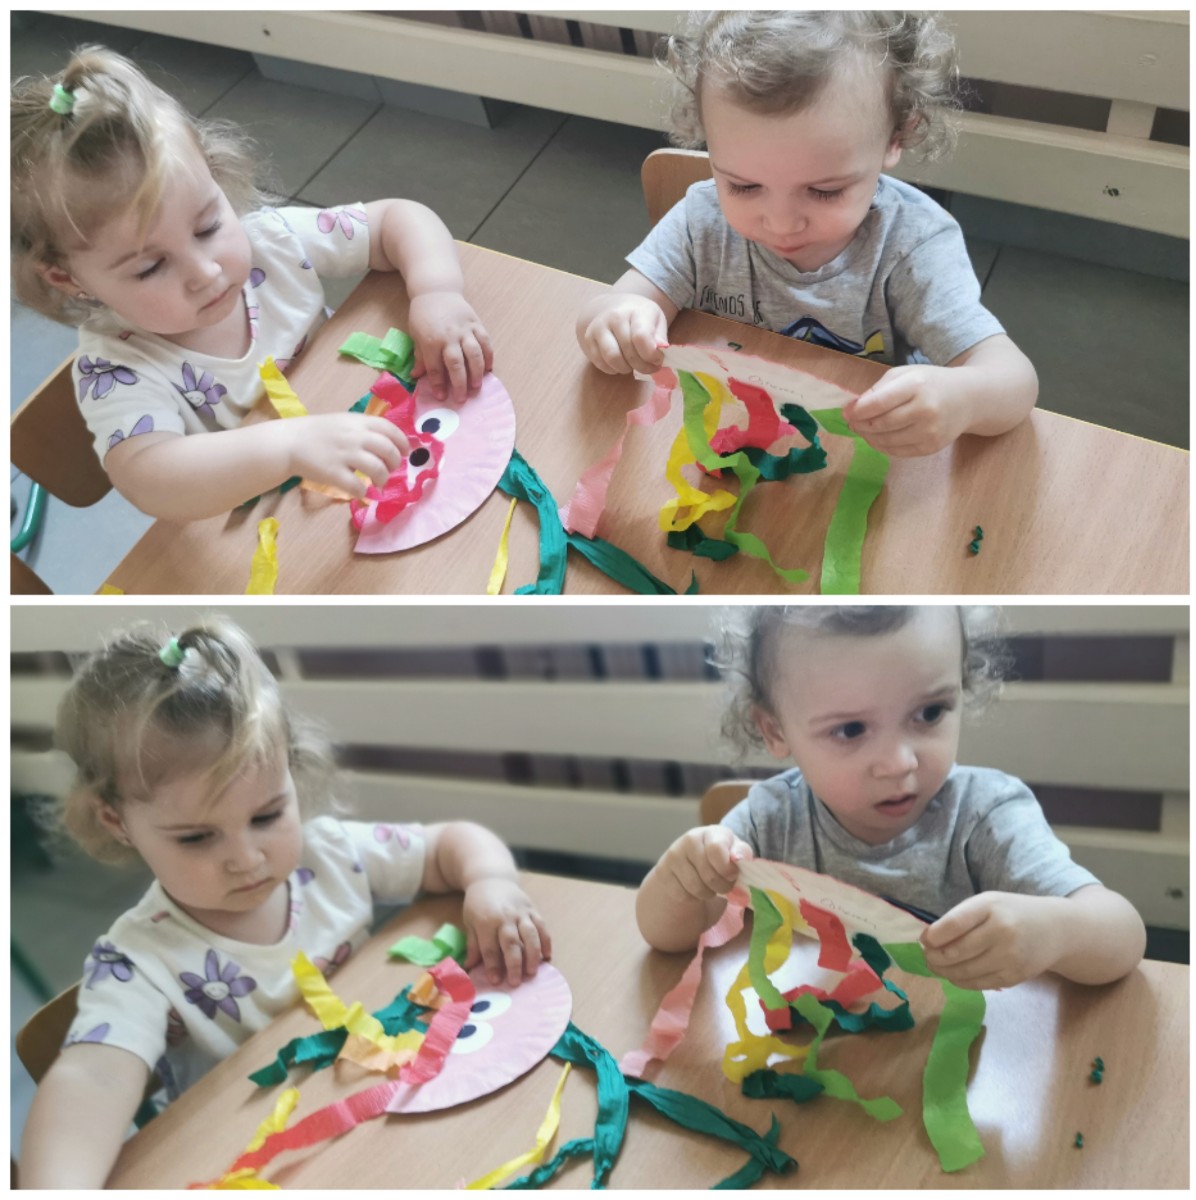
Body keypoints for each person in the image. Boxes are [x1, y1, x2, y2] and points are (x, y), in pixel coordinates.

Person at [19, 617, 550, 1188]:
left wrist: (491, 881)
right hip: (273, 1165)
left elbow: (449, 845)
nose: (246, 858)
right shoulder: (138, 965)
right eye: (197, 837)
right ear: (117, 821)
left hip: (391, 1113)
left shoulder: (329, 853)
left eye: (267, 815)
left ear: (290, 773)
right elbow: (92, 1080)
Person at [11, 46, 493, 520]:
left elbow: (398, 220)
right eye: (150, 268)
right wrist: (286, 447)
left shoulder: (270, 240)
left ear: (215, 176)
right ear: (68, 278)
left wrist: (436, 291)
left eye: (207, 227)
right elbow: (147, 478)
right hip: (286, 520)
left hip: (384, 440)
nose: (206, 272)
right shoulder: (115, 368)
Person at [577, 12, 1038, 458]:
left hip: (856, 458)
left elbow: (1014, 380)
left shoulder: (912, 246)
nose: (781, 224)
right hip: (731, 439)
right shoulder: (703, 220)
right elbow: (604, 310)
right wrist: (619, 319)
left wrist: (963, 399)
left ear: (896, 136)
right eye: (743, 186)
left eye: (824, 191)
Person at [636, 606, 1146, 992]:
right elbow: (667, 937)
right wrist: (681, 879)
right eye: (851, 729)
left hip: (954, 1061)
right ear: (774, 730)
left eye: (930, 713)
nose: (900, 763)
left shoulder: (985, 815)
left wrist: (1056, 932)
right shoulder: (770, 820)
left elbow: (1124, 935)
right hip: (815, 1057)